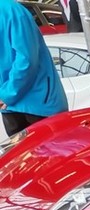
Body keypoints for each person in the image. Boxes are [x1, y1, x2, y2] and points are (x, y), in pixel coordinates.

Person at [0, 0, 68, 136]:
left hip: (37, 103)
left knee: (48, 147)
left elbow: (26, 59)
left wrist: (7, 94)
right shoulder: (11, 10)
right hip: (14, 104)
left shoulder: (11, 10)